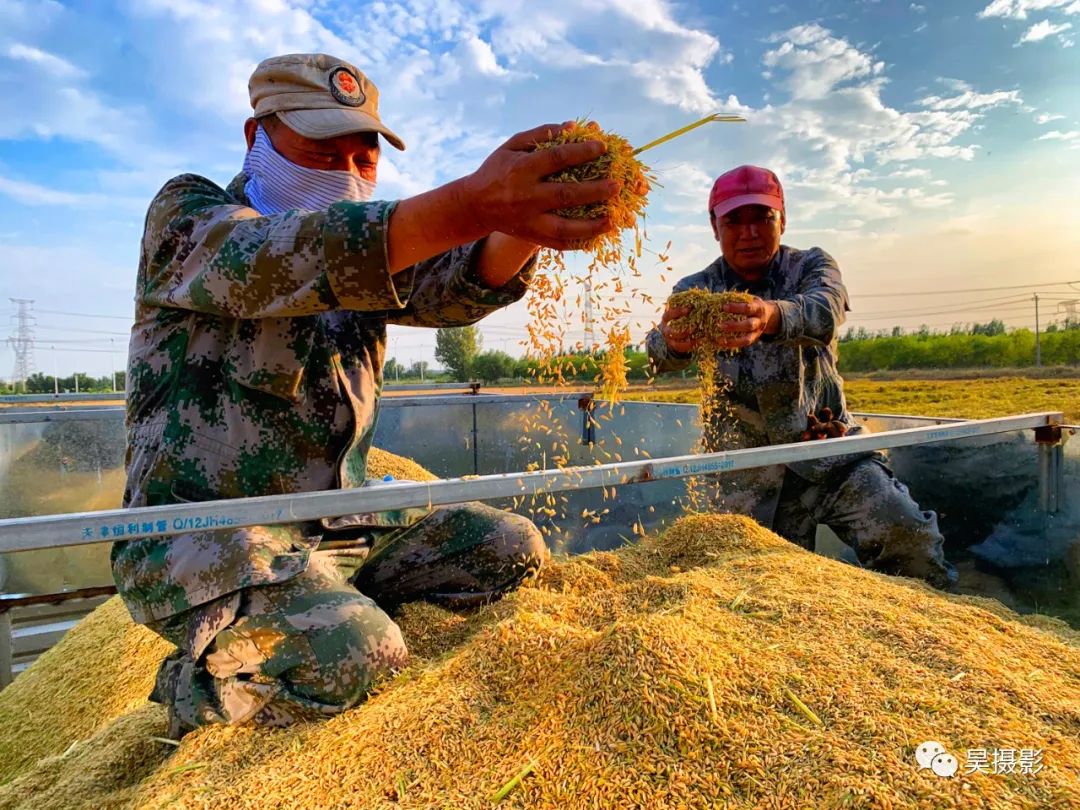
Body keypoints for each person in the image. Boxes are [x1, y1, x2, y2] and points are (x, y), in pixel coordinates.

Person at [113, 53, 624, 733]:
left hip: (334, 525)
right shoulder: (190, 219)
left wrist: (522, 223)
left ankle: (326, 605)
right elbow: (282, 258)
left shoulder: (371, 255)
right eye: (323, 149)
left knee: (510, 548)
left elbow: (448, 283)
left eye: (364, 158)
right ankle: (193, 691)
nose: (346, 174)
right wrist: (474, 201)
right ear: (254, 136)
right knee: (364, 656)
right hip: (202, 540)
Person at [646, 165, 956, 590]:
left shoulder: (811, 266)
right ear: (715, 227)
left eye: (762, 217)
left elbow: (827, 308)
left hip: (826, 451)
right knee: (753, 589)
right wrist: (675, 343)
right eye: (734, 220)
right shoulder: (697, 289)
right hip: (743, 473)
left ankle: (935, 619)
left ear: (783, 219)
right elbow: (658, 352)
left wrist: (771, 315)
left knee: (905, 534)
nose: (749, 232)